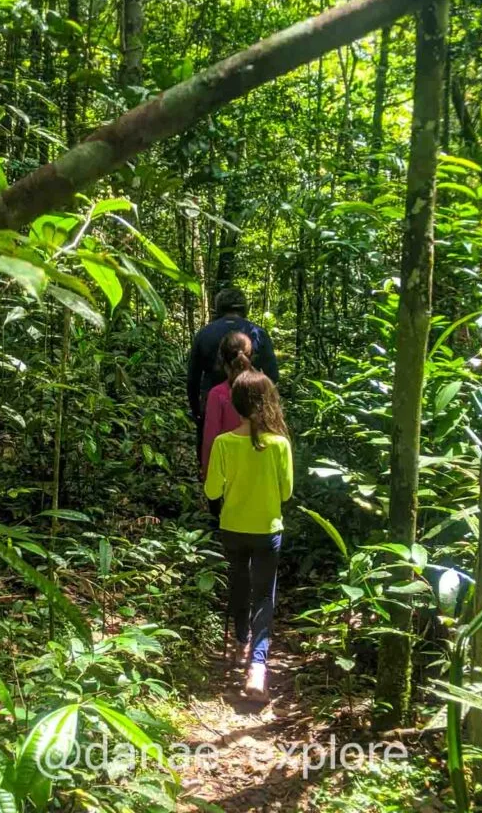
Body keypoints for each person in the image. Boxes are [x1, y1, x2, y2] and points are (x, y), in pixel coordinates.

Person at [204, 369, 293, 698]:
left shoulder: (223, 444)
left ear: (236, 405)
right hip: (267, 531)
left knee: (239, 585)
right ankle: (257, 666)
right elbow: (285, 494)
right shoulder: (280, 445)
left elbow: (213, 491)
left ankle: (241, 643)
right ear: (269, 403)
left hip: (232, 528)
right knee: (263, 596)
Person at [187, 287, 279, 461]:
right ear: (244, 308)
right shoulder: (259, 334)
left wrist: (196, 411)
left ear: (218, 308)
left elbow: (193, 379)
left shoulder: (204, 333)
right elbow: (273, 376)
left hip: (212, 404)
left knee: (213, 453)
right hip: (251, 406)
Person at [200, 331, 252, 477]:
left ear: (222, 360)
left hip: (228, 470)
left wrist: (207, 470)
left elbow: (211, 436)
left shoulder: (218, 394)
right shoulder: (263, 386)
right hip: (261, 467)